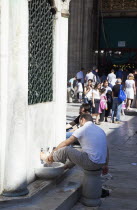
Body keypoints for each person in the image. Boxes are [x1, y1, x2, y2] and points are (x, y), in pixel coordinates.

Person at [40, 114, 109, 173]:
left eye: (79, 123)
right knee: (78, 152)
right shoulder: (100, 130)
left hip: (91, 163)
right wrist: (106, 165)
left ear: (82, 120)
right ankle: (66, 167)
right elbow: (106, 149)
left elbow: (65, 143)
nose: (79, 125)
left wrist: (53, 153)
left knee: (66, 150)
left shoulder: (83, 129)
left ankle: (49, 160)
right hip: (101, 163)